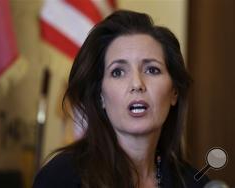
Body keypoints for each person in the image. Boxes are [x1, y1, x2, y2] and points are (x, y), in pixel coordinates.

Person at [32, 10, 209, 188]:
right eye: (118, 72)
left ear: (174, 92)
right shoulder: (60, 178)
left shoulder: (195, 183)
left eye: (152, 70)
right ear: (101, 96)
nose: (137, 84)